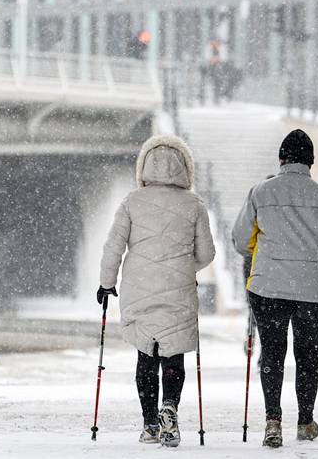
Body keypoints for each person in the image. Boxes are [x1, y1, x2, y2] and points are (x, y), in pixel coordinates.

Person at [232, 128, 318, 448]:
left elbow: (240, 240)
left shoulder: (260, 193)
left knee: (272, 354)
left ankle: (272, 421)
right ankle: (305, 421)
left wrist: (264, 248)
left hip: (269, 289)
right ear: (310, 162)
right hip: (311, 292)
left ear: (281, 159)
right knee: (307, 354)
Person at [98, 135, 215, 447]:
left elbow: (113, 247)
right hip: (178, 289)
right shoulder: (194, 205)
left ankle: (150, 423)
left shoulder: (132, 202)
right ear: (184, 167)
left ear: (144, 166)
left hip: (140, 287)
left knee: (146, 356)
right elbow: (207, 253)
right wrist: (183, 267)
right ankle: (170, 409)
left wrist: (106, 283)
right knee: (173, 357)